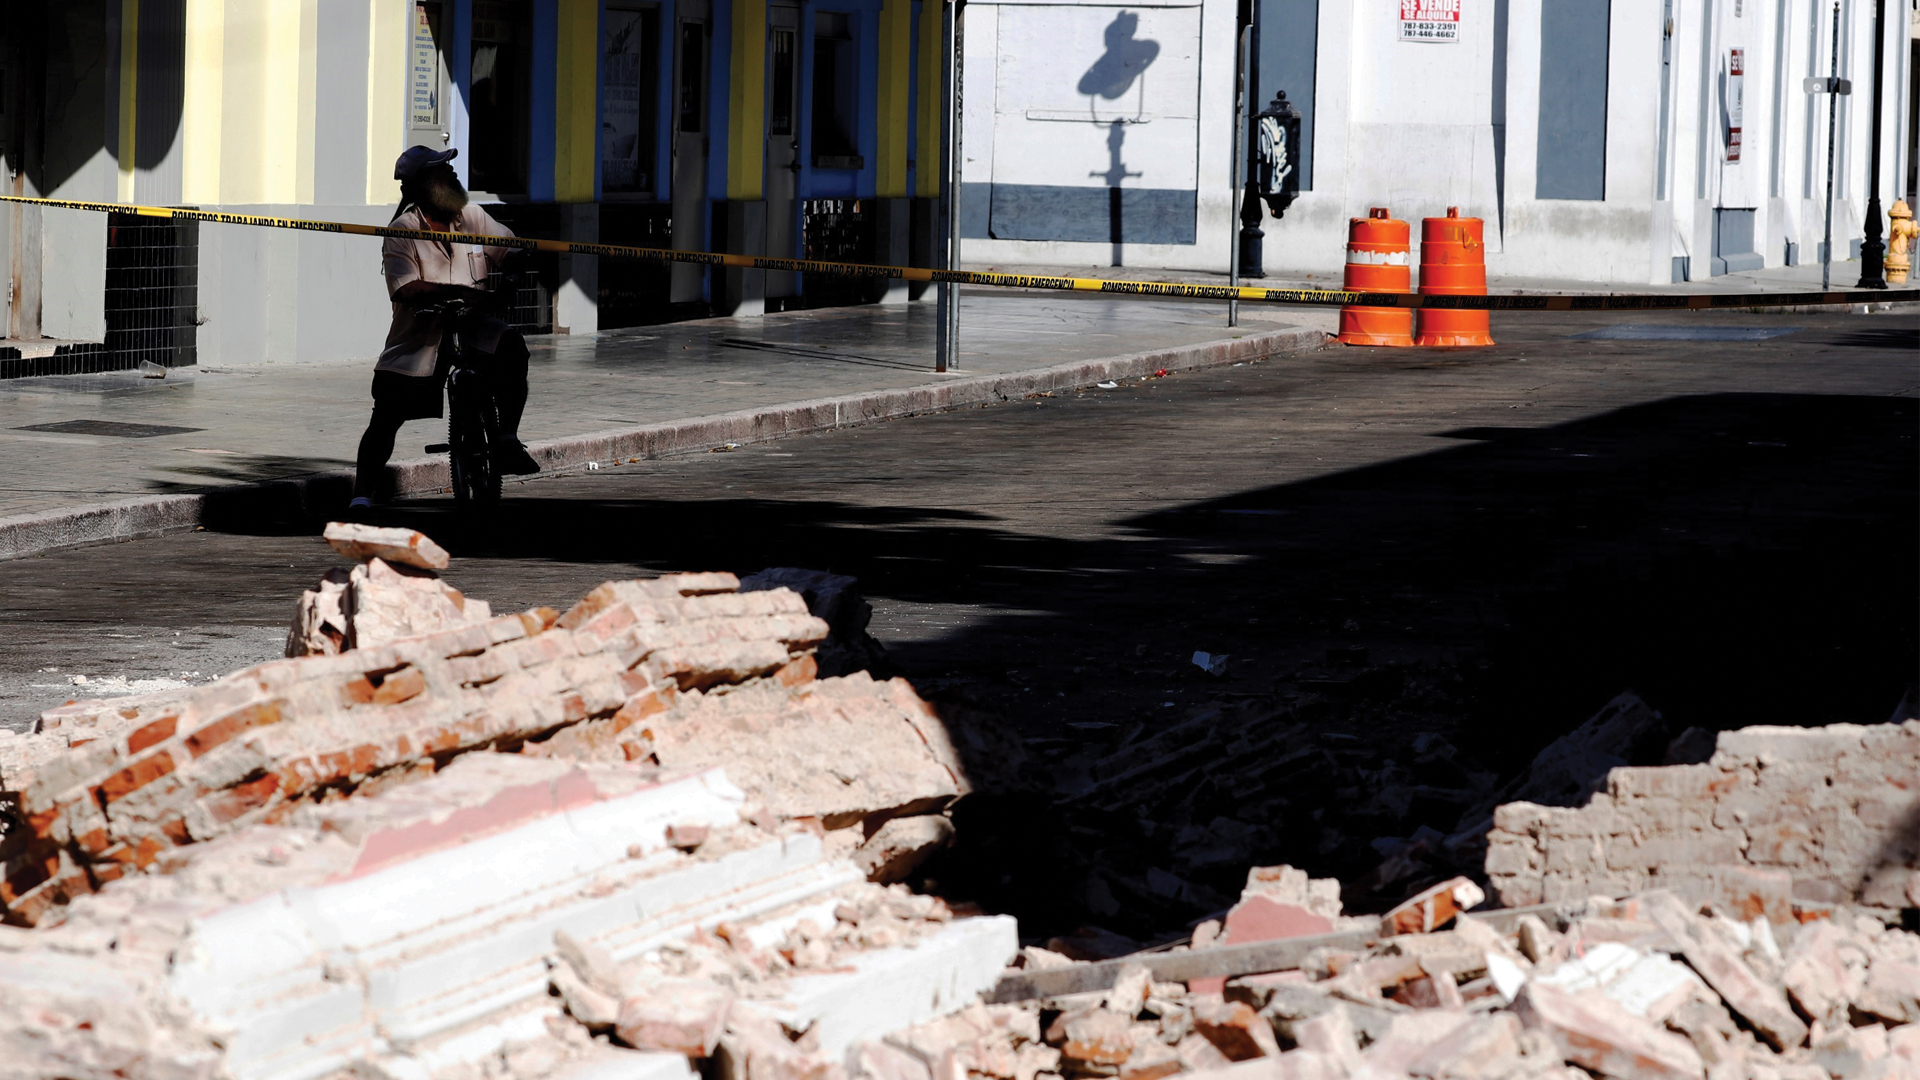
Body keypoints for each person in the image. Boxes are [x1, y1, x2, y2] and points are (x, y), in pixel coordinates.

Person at [348, 145, 540, 514]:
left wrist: (513, 270)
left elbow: (511, 247)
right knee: (386, 412)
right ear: (423, 184)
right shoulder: (402, 230)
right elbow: (406, 288)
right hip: (422, 334)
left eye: (452, 170)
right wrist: (465, 293)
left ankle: (507, 437)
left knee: (512, 347)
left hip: (475, 326)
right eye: (443, 172)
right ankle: (362, 492)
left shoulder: (473, 217)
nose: (453, 176)